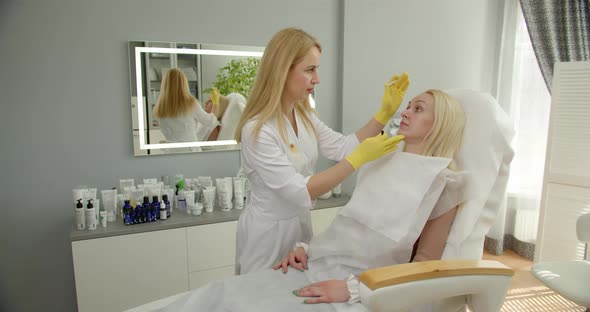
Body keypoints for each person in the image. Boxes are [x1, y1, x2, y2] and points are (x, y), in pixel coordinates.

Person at [140, 89, 468, 312]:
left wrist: (357, 289)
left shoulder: (444, 182)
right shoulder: (380, 162)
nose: (406, 111)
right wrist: (310, 250)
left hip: (355, 284)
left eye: (418, 108)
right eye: (310, 70)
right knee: (222, 297)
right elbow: (344, 221)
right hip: (295, 249)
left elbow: (424, 265)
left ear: (440, 124)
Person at [233, 27, 410, 274]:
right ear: (283, 71)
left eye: (316, 69)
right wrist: (358, 160)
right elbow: (298, 190)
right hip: (267, 235)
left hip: (300, 228)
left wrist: (383, 115)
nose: (317, 79)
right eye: (310, 70)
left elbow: (342, 147)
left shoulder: (303, 115)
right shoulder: (258, 130)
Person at [153, 68, 220, 144]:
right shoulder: (190, 104)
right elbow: (210, 122)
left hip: (171, 153)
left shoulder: (159, 108)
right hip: (189, 152)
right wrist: (216, 101)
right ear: (183, 84)